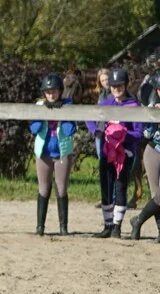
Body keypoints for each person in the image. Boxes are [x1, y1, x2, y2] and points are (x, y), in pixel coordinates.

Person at [85, 68, 143, 238]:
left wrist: (123, 135)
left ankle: (117, 226)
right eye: (114, 85)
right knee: (106, 187)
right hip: (106, 151)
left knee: (120, 186)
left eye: (120, 85)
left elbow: (139, 133)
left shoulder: (134, 105)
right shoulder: (106, 103)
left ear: (125, 85)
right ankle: (107, 225)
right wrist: (96, 131)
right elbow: (89, 116)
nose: (117, 88)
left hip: (125, 153)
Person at [30, 73, 75, 236]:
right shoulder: (39, 105)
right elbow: (33, 128)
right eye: (48, 92)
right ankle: (40, 226)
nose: (51, 94)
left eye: (54, 91)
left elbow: (70, 129)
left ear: (60, 91)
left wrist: (63, 112)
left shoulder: (68, 105)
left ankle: (63, 227)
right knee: (43, 187)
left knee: (61, 188)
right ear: (44, 93)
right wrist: (43, 114)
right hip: (44, 152)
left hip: (63, 151)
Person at [129, 70, 160, 241]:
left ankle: (138, 220)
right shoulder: (152, 107)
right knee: (157, 196)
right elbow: (146, 134)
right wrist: (153, 116)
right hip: (154, 151)